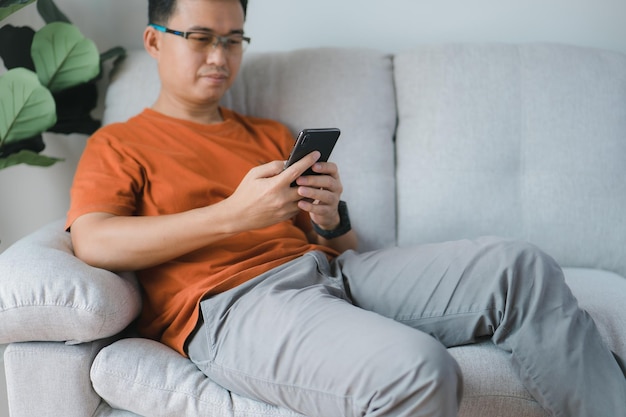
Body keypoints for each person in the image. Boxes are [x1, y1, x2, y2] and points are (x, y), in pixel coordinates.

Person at [66, 0, 626, 416]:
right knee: (418, 371)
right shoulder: (120, 143)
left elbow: (342, 247)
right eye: (201, 37)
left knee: (518, 266)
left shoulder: (266, 133)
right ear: (155, 40)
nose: (219, 57)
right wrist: (235, 215)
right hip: (235, 306)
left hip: (333, 271)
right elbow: (94, 240)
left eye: (234, 40)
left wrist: (331, 218)